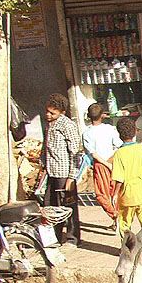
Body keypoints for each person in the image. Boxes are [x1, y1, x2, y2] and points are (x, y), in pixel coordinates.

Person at [40, 92, 82, 246]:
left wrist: (72, 177)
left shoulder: (67, 125)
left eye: (52, 113)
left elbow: (76, 154)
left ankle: (72, 238)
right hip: (52, 173)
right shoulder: (48, 124)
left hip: (64, 175)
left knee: (68, 208)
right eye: (47, 111)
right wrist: (43, 166)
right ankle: (55, 237)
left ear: (62, 112)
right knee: (50, 207)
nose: (48, 115)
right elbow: (46, 148)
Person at [111, 116, 142, 237]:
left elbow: (119, 178)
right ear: (135, 131)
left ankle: (127, 249)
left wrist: (115, 193)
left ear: (120, 135)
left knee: (125, 225)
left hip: (127, 195)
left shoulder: (119, 153)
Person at [82, 103, 122, 224]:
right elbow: (119, 144)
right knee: (114, 192)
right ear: (102, 115)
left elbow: (93, 154)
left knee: (101, 194)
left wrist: (105, 163)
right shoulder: (110, 129)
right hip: (112, 160)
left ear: (89, 116)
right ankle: (117, 218)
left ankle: (115, 215)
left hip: (100, 164)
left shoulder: (87, 133)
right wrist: (110, 162)